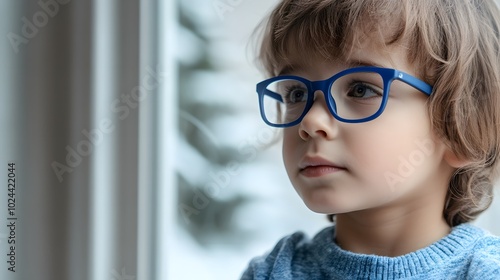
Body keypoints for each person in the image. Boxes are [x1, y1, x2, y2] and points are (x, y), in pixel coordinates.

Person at [241, 0, 500, 279]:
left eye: (361, 90)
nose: (311, 121)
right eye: (296, 93)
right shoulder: (271, 272)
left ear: (461, 128)